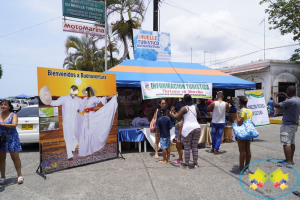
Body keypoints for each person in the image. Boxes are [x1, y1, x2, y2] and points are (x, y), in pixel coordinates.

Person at [39, 85, 83, 160]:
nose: (75, 92)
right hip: (67, 122)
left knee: (76, 137)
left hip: (76, 121)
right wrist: (48, 100)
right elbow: (55, 103)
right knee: (68, 137)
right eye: (74, 90)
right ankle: (69, 155)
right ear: (71, 90)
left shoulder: (79, 100)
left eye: (76, 90)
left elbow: (82, 109)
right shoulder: (64, 98)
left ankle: (72, 147)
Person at [76, 85, 117, 157]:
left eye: (89, 91)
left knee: (92, 131)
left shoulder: (93, 98)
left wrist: (111, 96)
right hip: (85, 117)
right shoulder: (84, 99)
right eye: (87, 91)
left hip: (92, 116)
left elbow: (101, 99)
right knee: (85, 132)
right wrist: (75, 113)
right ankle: (85, 150)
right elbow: (81, 108)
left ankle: (92, 148)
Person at [170, 94, 201, 169]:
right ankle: (195, 164)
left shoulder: (184, 108)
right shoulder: (195, 107)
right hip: (197, 128)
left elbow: (177, 118)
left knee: (187, 147)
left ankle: (186, 165)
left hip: (187, 128)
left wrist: (172, 114)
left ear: (184, 100)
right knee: (194, 146)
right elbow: (199, 116)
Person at [273, 86, 300, 165]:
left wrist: (275, 96)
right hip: (294, 124)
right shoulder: (298, 99)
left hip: (287, 125)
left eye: (287, 90)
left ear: (290, 91)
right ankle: (290, 160)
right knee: (292, 142)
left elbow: (276, 105)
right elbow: (290, 102)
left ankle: (288, 162)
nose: (286, 91)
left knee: (286, 143)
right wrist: (286, 97)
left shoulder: (290, 101)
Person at [0, 100, 23, 185]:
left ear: (9, 107)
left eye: (5, 105)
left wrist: (2, 125)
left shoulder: (13, 115)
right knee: (1, 159)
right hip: (2, 139)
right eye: (1, 105)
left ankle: (20, 175)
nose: (3, 106)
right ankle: (2, 177)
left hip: (12, 138)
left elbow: (14, 125)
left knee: (15, 157)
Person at [235, 96, 253, 173]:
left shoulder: (242, 110)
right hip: (249, 131)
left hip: (242, 131)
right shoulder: (250, 110)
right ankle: (247, 167)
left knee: (242, 151)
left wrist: (236, 114)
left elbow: (239, 121)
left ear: (240, 102)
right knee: (248, 149)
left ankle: (241, 168)